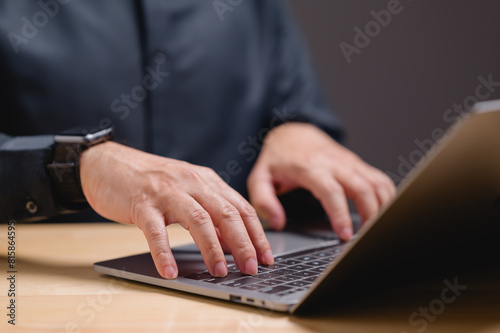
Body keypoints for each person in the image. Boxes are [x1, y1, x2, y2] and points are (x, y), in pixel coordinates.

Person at [0, 0, 395, 279]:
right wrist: (77, 166)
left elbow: (293, 106)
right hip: (44, 283)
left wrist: (296, 131)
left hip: (237, 278)